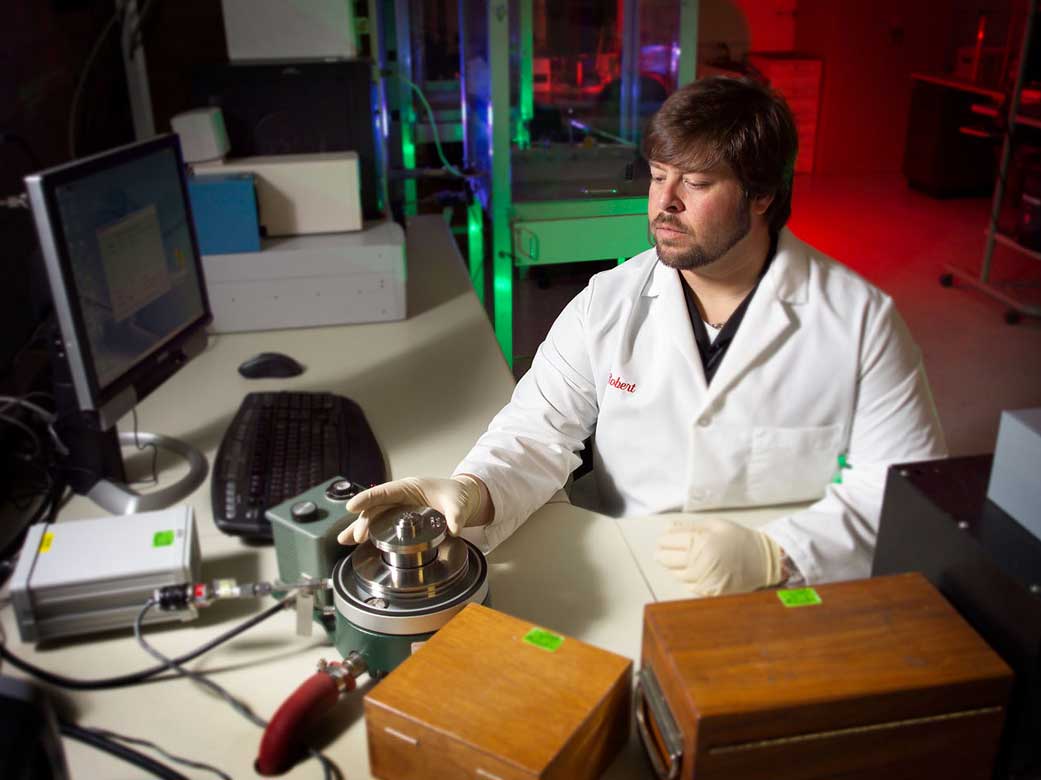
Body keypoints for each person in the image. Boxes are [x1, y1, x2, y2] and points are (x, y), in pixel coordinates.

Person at [338, 76, 947, 595]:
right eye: (658, 177)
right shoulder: (608, 302)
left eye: (697, 185)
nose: (664, 204)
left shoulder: (859, 320)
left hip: (779, 583)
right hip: (626, 562)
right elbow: (536, 433)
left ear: (762, 194)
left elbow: (903, 487)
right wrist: (472, 489)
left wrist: (778, 556)